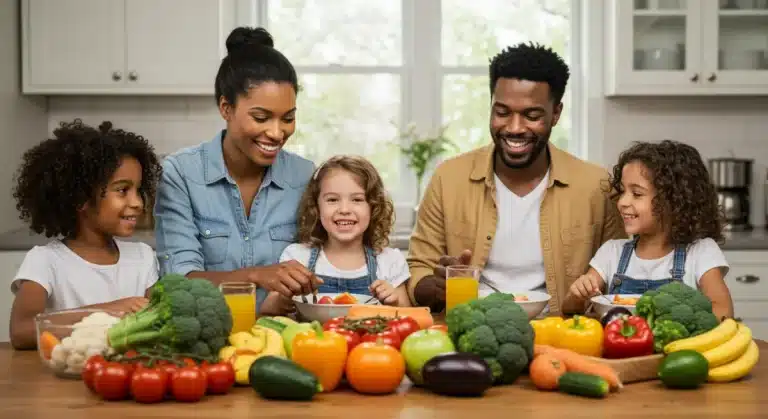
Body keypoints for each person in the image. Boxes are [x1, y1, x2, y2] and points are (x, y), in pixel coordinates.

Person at [407, 42, 626, 314]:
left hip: (562, 334)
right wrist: (436, 285)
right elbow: (418, 268)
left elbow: (621, 272)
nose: (514, 128)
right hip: (470, 327)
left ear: (556, 113)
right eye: (502, 112)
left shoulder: (596, 185)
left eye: (532, 116)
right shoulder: (448, 178)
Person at [153, 26, 320, 315]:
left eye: (288, 118)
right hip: (206, 339)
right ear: (226, 108)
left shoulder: (305, 176)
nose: (277, 133)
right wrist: (256, 275)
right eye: (261, 117)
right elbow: (178, 282)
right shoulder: (181, 173)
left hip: (284, 338)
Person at [8, 120, 162, 349]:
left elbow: (157, 324)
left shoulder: (143, 257)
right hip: (64, 375)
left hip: (126, 375)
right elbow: (21, 331)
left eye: (138, 190)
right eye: (122, 190)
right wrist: (103, 311)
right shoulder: (45, 261)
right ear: (81, 198)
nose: (138, 203)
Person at [563, 140, 734, 319]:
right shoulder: (611, 252)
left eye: (637, 194)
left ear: (673, 201)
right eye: (622, 191)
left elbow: (723, 310)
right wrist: (578, 294)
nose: (622, 202)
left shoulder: (700, 252)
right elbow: (570, 308)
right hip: (621, 345)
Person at [272, 155, 411, 308]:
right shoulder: (297, 257)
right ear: (316, 207)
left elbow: (408, 314)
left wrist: (394, 301)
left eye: (357, 200)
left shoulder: (389, 261)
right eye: (332, 200)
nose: (344, 210)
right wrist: (284, 299)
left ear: (374, 207)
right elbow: (269, 309)